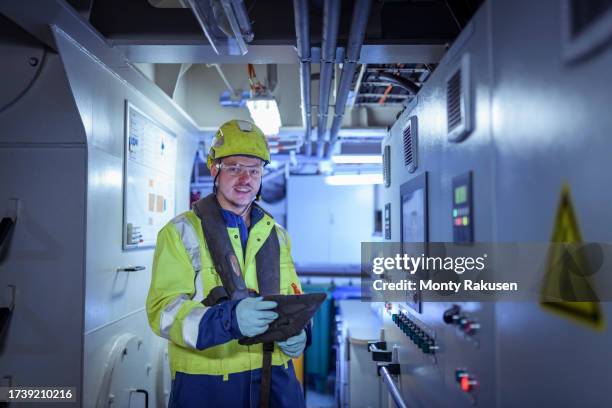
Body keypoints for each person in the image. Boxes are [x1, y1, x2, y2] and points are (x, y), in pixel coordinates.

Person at [146, 120, 307, 408]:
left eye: (254, 170)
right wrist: (228, 320)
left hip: (275, 378)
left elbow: (293, 296)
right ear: (214, 170)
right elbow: (163, 312)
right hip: (207, 387)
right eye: (234, 168)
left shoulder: (277, 235)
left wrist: (300, 331)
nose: (245, 179)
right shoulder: (180, 232)